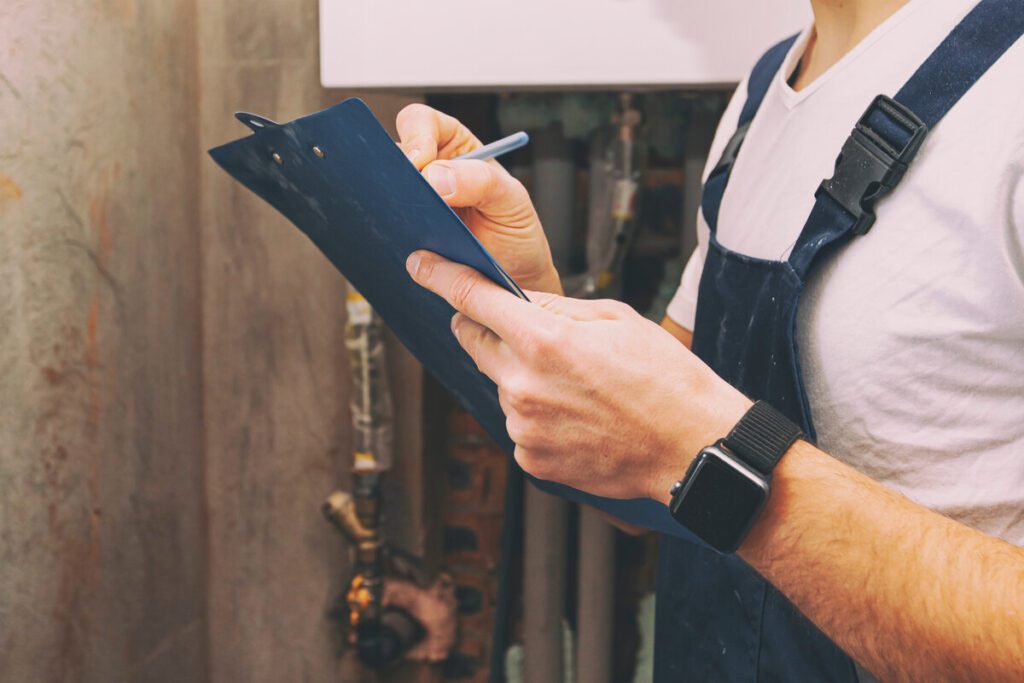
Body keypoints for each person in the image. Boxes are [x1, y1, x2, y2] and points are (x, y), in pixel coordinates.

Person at [396, 0, 1024, 679]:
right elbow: (643, 477)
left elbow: (681, 446)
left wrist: (716, 465)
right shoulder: (761, 101)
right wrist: (529, 308)